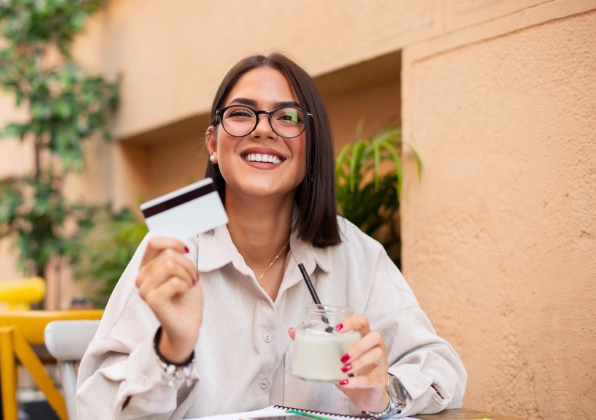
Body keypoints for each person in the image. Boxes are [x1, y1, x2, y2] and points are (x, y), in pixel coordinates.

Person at [76, 53, 466, 419]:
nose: (263, 128)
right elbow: (95, 406)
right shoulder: (172, 249)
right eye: (242, 114)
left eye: (288, 117)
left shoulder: (356, 254)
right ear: (213, 143)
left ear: (311, 148)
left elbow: (441, 370)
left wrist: (384, 394)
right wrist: (170, 353)